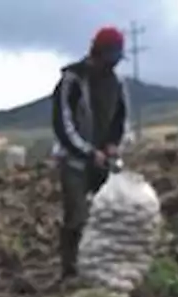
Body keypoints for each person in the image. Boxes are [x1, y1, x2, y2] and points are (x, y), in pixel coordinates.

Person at [51, 26, 130, 281]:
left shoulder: (116, 84)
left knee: (106, 213)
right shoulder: (71, 80)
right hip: (73, 161)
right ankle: (70, 271)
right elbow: (63, 125)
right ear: (97, 53)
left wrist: (113, 144)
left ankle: (101, 265)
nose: (111, 66)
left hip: (102, 160)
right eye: (109, 60)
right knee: (76, 217)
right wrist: (87, 152)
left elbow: (120, 119)